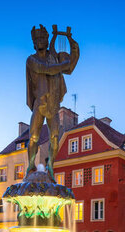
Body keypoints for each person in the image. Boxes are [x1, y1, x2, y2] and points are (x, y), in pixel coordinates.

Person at [26, 24, 79, 180]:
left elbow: (71, 66)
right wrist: (62, 66)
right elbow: (46, 69)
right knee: (33, 137)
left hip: (53, 106)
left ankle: (50, 167)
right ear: (34, 43)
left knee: (55, 137)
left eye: (43, 38)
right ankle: (30, 165)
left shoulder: (54, 57)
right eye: (38, 39)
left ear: (47, 40)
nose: (41, 41)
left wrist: (72, 43)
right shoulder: (32, 60)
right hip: (40, 104)